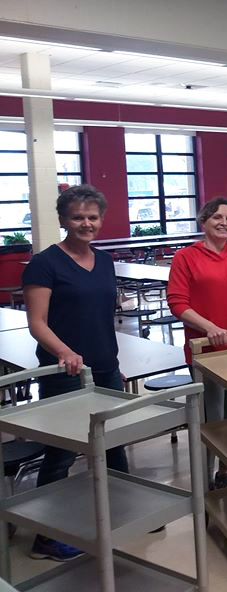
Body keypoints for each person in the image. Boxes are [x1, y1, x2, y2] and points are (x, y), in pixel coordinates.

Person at [23, 184, 128, 562]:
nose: (86, 223)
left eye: (93, 217)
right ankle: (44, 538)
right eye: (78, 217)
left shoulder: (105, 261)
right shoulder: (45, 263)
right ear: (64, 220)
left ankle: (125, 513)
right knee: (62, 454)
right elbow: (37, 323)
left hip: (107, 367)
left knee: (116, 443)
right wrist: (65, 351)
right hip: (63, 372)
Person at [167, 198, 227, 488]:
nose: (225, 223)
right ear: (204, 221)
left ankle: (225, 470)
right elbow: (177, 303)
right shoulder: (186, 257)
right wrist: (209, 328)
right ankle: (205, 473)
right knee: (212, 416)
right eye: (218, 217)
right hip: (206, 352)